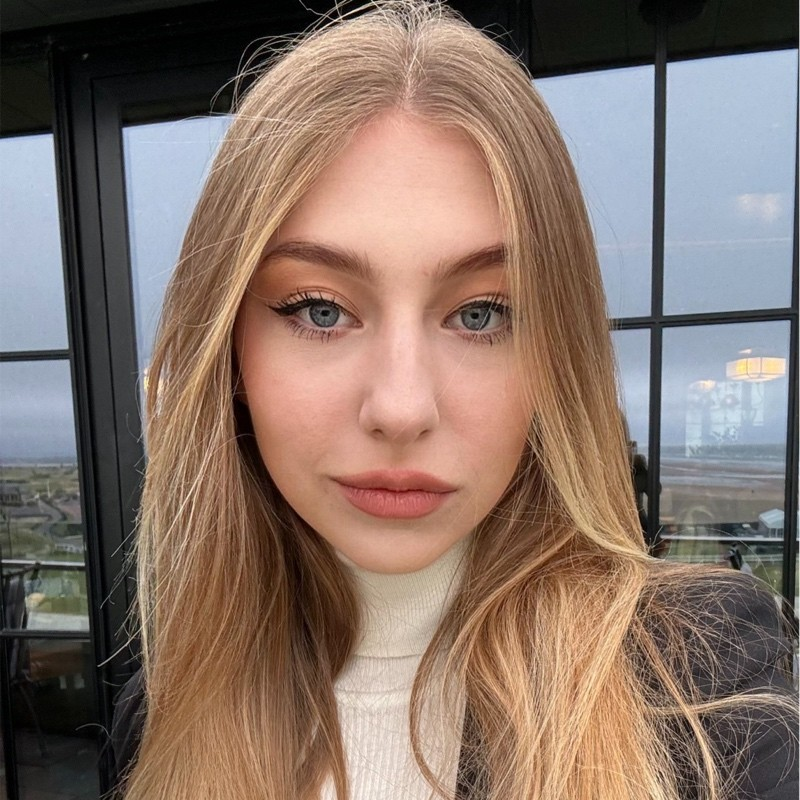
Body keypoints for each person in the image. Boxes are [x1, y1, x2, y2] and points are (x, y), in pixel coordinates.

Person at [108, 2, 798, 799]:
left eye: (481, 315)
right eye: (320, 310)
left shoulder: (700, 684)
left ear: (557, 356)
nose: (402, 409)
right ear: (228, 350)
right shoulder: (163, 713)